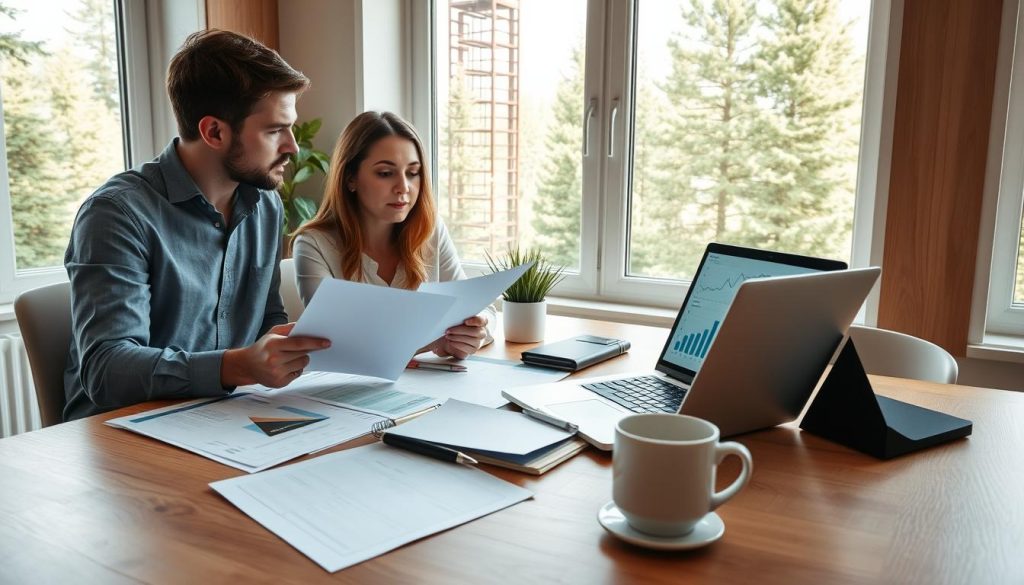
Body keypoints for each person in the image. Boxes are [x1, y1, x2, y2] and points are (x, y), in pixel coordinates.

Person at [62, 30, 329, 421]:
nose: (292, 145)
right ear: (214, 132)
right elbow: (107, 370)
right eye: (275, 130)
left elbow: (266, 318)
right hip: (122, 430)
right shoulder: (116, 214)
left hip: (221, 417)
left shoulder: (265, 204)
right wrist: (237, 366)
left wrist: (285, 346)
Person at [292, 111, 494, 360]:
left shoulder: (430, 231)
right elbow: (337, 342)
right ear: (350, 178)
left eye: (412, 172)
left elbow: (479, 309)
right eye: (386, 173)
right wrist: (435, 342)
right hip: (347, 392)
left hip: (428, 390)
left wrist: (478, 330)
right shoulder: (314, 244)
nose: (403, 188)